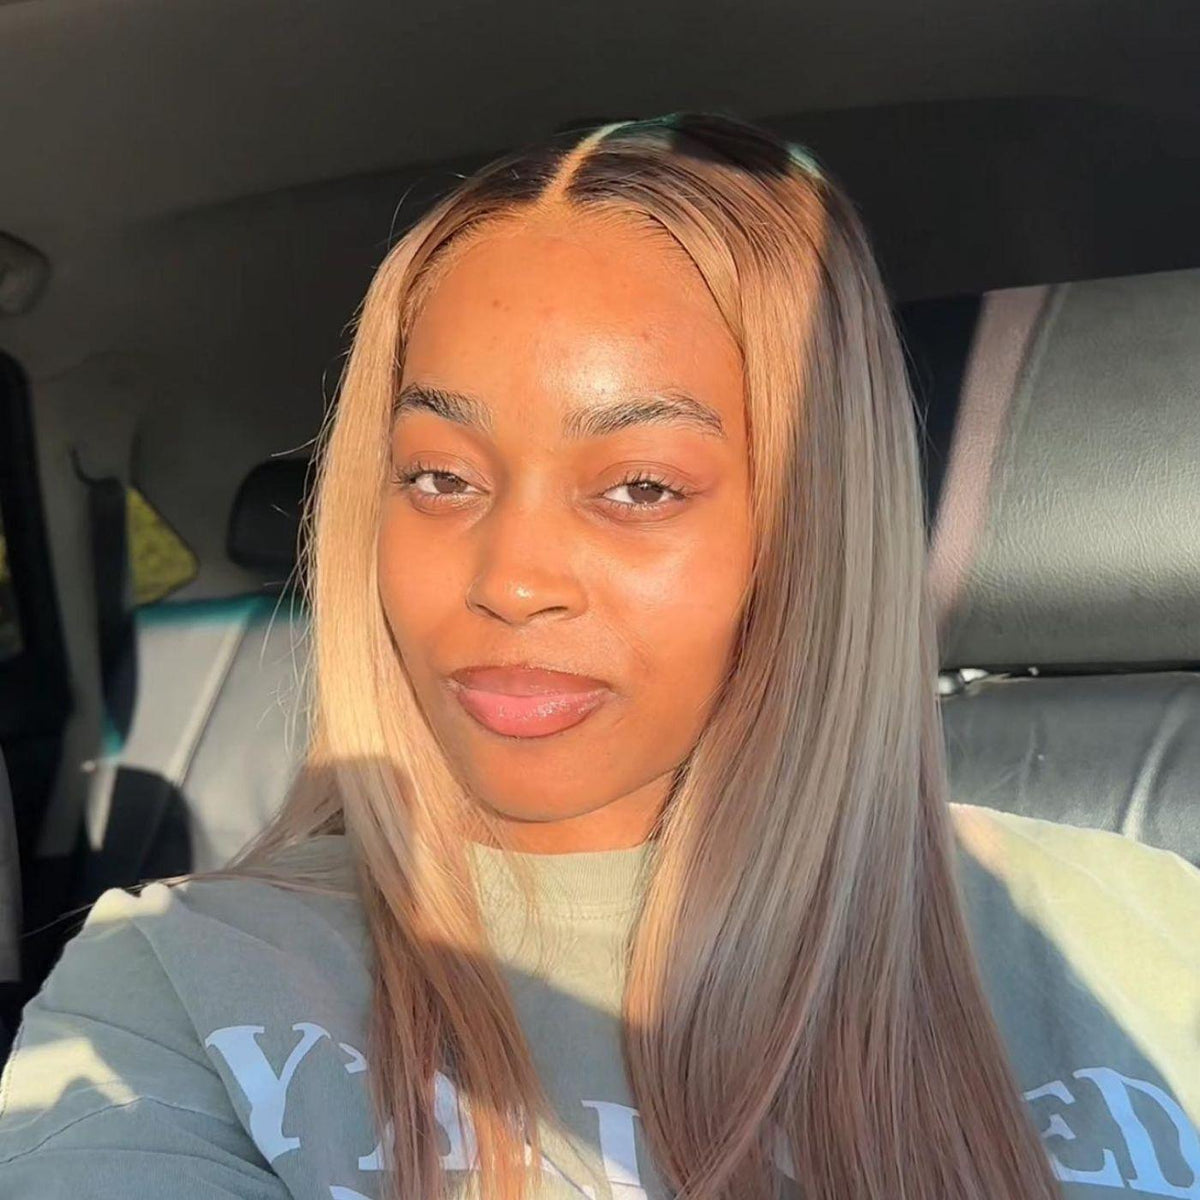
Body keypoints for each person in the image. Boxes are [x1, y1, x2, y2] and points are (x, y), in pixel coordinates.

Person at [1, 112, 1197, 1200]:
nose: (510, 580)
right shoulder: (172, 991)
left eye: (639, 486)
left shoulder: (1152, 932)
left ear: (815, 529)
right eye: (438, 477)